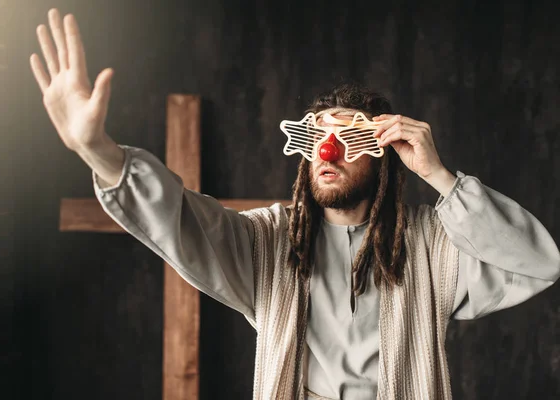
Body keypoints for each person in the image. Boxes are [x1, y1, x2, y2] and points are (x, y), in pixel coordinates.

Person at [30, 9, 560, 400]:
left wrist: (441, 178)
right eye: (315, 139)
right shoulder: (266, 243)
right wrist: (98, 150)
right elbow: (181, 219)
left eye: (350, 138)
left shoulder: (435, 247)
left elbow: (539, 262)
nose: (328, 150)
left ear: (385, 155)